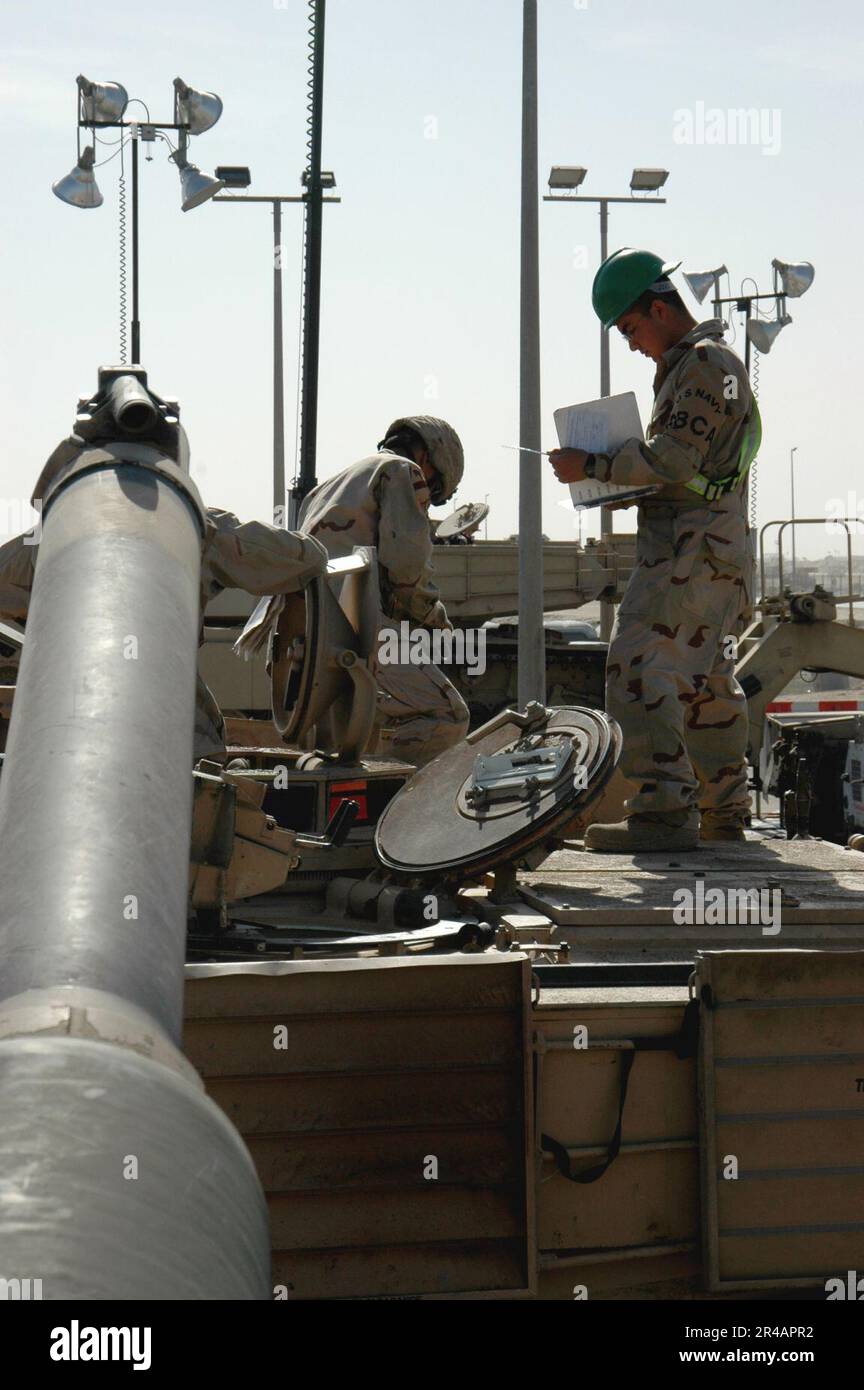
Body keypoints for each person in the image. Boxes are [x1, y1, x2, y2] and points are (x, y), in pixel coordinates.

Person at [549, 248, 760, 851]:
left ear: (660, 308)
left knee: (636, 667)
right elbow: (688, 472)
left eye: (631, 329)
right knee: (706, 681)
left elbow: (673, 460)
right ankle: (724, 813)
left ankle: (664, 814)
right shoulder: (703, 366)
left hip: (687, 559)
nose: (633, 344)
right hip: (712, 557)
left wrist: (588, 465)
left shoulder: (702, 364)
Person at [0, 436, 329, 762]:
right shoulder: (193, 530)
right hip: (173, 744)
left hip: (59, 745)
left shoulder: (33, 550)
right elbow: (306, 559)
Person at [296, 415, 470, 767]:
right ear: (427, 457)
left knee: (346, 751)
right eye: (434, 491)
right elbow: (406, 567)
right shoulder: (402, 471)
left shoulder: (329, 486)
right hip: (348, 623)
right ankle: (397, 809)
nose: (427, 496)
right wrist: (433, 619)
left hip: (298, 630)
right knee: (445, 717)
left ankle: (348, 812)